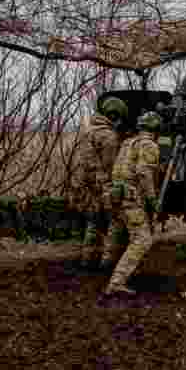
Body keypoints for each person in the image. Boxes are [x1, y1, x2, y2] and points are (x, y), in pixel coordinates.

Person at [101, 110, 162, 295]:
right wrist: (152, 200)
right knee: (142, 240)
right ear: (155, 128)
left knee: (119, 233)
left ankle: (108, 267)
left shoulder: (128, 143)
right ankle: (116, 282)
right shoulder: (148, 145)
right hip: (131, 199)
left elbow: (117, 170)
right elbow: (144, 173)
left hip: (117, 196)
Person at [73, 96, 127, 269]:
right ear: (113, 116)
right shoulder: (109, 137)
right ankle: (107, 262)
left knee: (93, 222)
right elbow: (111, 166)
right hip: (103, 185)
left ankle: (86, 259)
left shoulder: (88, 132)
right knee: (115, 221)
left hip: (87, 185)